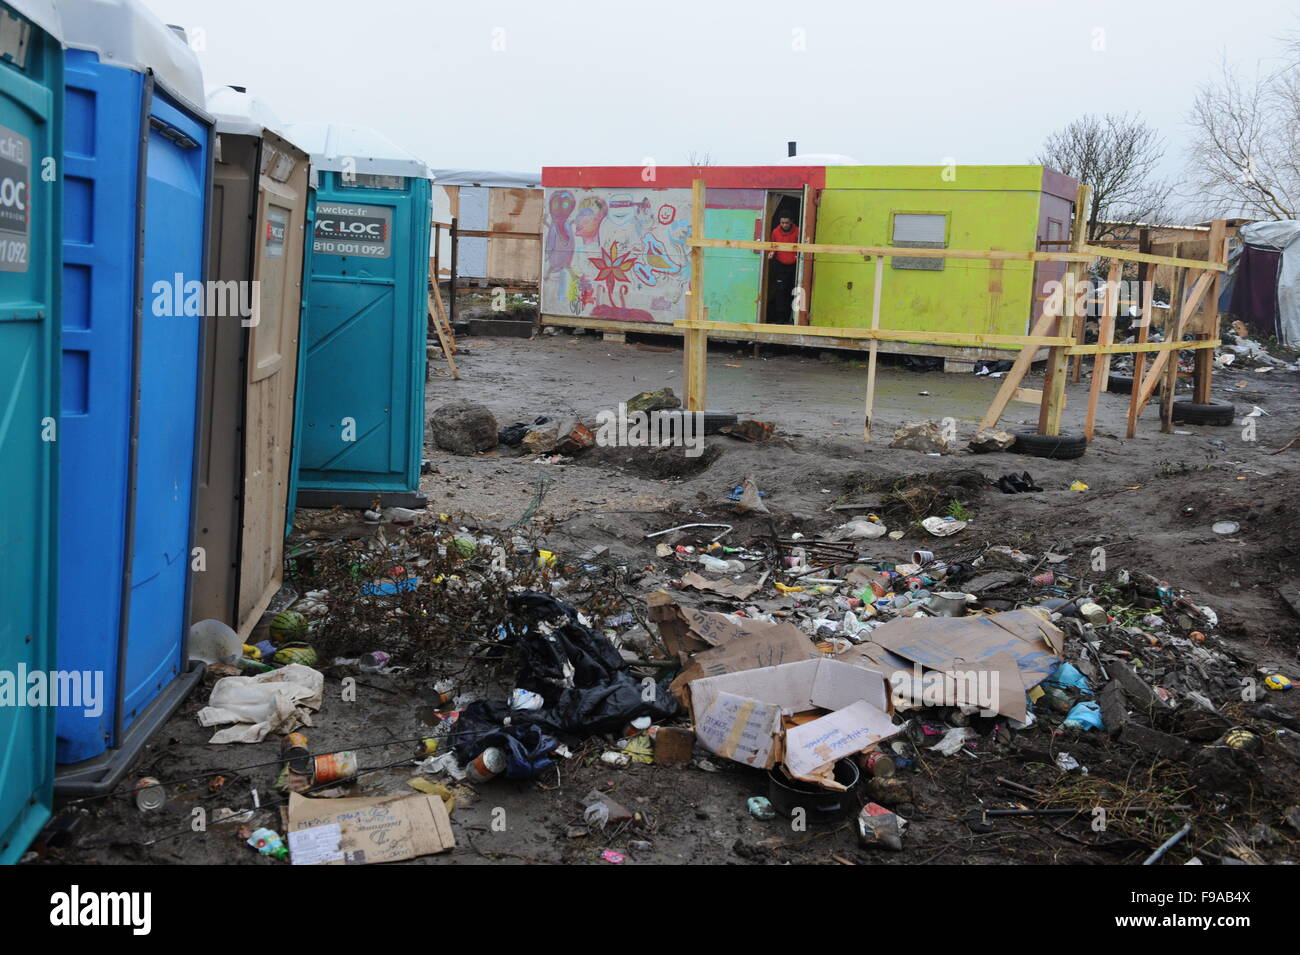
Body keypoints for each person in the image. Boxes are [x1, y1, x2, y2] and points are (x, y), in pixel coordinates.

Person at [766, 214, 799, 323]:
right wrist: (771, 253)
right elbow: (773, 246)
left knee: (793, 291)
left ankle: (793, 319)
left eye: (786, 223)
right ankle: (780, 319)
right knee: (780, 291)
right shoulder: (775, 232)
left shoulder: (798, 231)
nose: (784, 225)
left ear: (791, 222)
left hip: (795, 265)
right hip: (780, 265)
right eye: (782, 223)